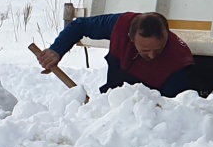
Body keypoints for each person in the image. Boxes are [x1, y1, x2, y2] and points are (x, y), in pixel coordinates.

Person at [37, 11, 196, 96]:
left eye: (159, 49)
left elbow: (172, 109)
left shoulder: (179, 62)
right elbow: (80, 25)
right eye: (145, 51)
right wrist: (56, 50)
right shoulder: (120, 25)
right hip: (112, 100)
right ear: (131, 38)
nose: (152, 56)